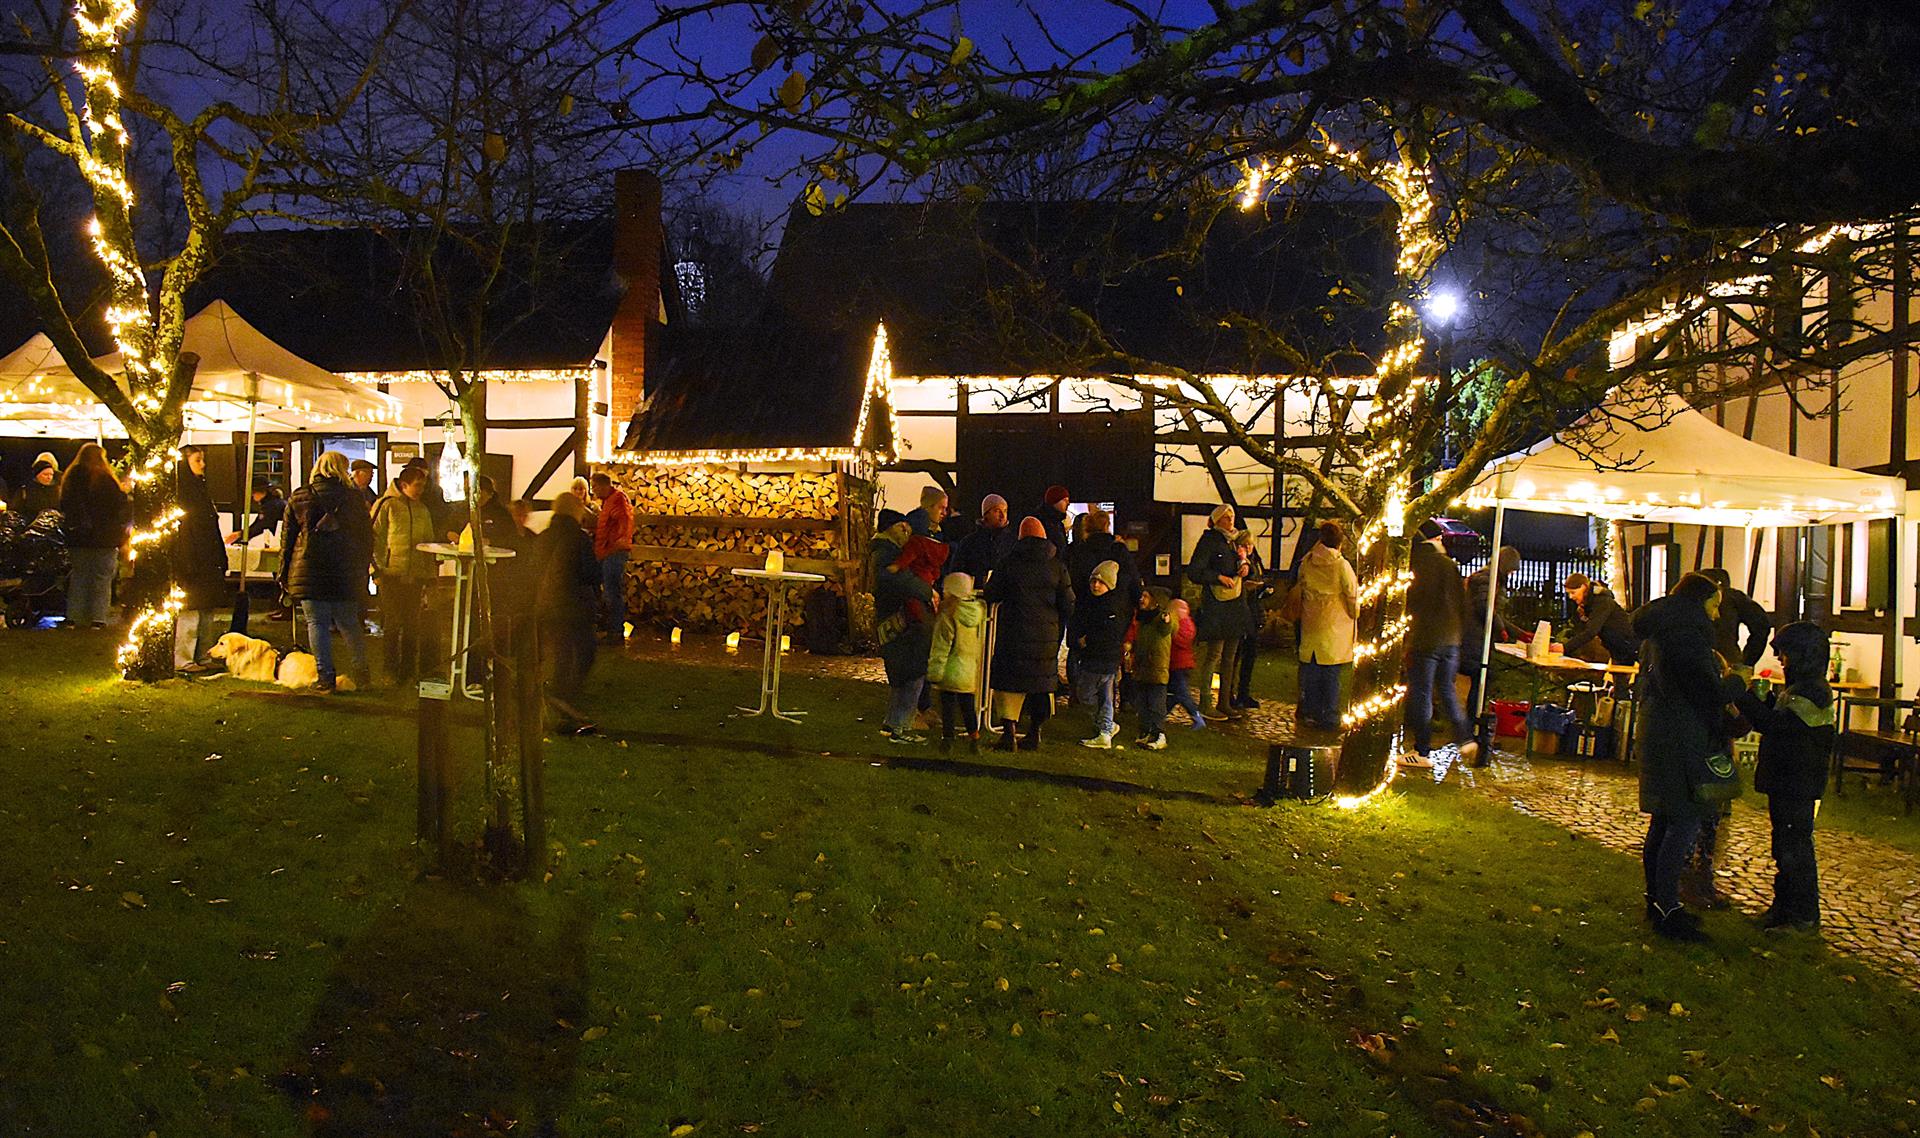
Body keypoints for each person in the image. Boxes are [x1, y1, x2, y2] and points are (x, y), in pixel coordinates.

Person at [1630, 571, 1746, 942]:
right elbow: (1706, 692)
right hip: (1681, 739)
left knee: (1664, 821)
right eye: (1714, 606)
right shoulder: (1687, 635)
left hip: (1660, 733)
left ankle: (1659, 902)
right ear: (1699, 602)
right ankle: (1667, 908)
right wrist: (1738, 682)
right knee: (1682, 821)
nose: (1716, 615)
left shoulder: (1661, 630)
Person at [1732, 620, 1835, 933]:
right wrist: (1763, 700)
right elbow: (1780, 721)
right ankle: (1784, 908)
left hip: (1797, 781)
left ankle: (1802, 914)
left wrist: (1743, 696)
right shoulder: (1802, 689)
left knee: (1795, 849)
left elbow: (1779, 727)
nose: (1781, 660)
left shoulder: (1813, 692)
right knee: (1784, 846)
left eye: (1786, 654)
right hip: (1789, 779)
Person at [280, 451, 375, 693]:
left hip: (309, 570)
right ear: (342, 469)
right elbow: (366, 537)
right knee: (349, 624)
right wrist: (362, 568)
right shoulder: (354, 499)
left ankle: (325, 678)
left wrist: (284, 574)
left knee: (317, 624)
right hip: (344, 571)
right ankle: (362, 674)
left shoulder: (300, 496)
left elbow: (288, 539)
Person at [982, 516, 1074, 750]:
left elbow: (992, 593)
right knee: (1041, 685)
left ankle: (1009, 733)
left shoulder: (1009, 562)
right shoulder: (1057, 566)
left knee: (1009, 684)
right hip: (1045, 637)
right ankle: (1034, 732)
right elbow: (1068, 603)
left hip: (1014, 633)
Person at [1402, 519, 1479, 767]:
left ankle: (1422, 750)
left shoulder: (1417, 565)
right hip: (1451, 639)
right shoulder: (1449, 565)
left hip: (1426, 638)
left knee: (1422, 692)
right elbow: (1462, 604)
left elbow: (1413, 602)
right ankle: (1465, 738)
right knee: (1447, 690)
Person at [535, 491, 601, 734]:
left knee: (562, 653)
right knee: (585, 652)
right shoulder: (579, 538)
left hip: (548, 604)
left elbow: (535, 570)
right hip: (574, 604)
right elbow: (590, 573)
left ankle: (560, 701)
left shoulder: (543, 537)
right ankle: (563, 698)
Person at [371, 465, 439, 682]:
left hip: (416, 575)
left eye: (423, 485)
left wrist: (429, 575)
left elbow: (428, 542)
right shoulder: (386, 506)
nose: (421, 490)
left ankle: (408, 670)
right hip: (391, 573)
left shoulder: (422, 510)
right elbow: (373, 539)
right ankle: (390, 670)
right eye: (417, 485)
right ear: (404, 485)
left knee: (412, 625)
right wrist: (376, 571)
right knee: (393, 623)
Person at [1186, 504, 1253, 722]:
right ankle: (1206, 701)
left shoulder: (1237, 541)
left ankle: (1225, 701)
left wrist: (1245, 568)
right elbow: (1195, 571)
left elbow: (1244, 564)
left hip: (1235, 604)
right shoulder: (1210, 541)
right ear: (1216, 521)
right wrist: (1217, 577)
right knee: (1214, 654)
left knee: (1230, 657)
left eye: (1232, 516)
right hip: (1217, 605)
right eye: (1225, 517)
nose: (1230, 520)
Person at [876, 534, 944, 743]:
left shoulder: (902, 556)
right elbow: (902, 579)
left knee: (903, 675)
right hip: (913, 624)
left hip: (908, 622)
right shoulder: (898, 557)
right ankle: (899, 727)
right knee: (913, 675)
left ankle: (892, 723)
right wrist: (928, 592)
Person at [58, 442, 131, 630]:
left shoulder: (72, 478)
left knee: (79, 576)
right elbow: (119, 506)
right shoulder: (106, 480)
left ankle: (74, 617)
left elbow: (65, 505)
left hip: (79, 537)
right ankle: (98, 618)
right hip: (104, 538)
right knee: (102, 578)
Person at [1295, 521, 1360, 730]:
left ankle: (1309, 709)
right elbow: (1352, 594)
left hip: (1312, 620)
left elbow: (1301, 582)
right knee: (1331, 673)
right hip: (1335, 624)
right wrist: (1355, 613)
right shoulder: (1341, 565)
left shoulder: (1307, 561)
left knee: (1312, 670)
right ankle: (1329, 715)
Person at [172, 446, 229, 671]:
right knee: (191, 612)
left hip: (207, 559)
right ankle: (183, 658)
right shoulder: (183, 496)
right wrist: (187, 562)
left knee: (206, 611)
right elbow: (185, 532)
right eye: (197, 460)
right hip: (193, 560)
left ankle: (203, 655)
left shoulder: (201, 491)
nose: (203, 465)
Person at [1462, 545, 1527, 715]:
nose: (1512, 574)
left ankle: (1474, 721)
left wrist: (1518, 633)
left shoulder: (1488, 578)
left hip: (1477, 637)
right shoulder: (1487, 579)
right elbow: (1486, 608)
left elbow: (1493, 612)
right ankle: (1473, 723)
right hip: (1474, 638)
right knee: (1482, 678)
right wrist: (1502, 629)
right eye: (1512, 570)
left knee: (1482, 679)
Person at [926, 571, 987, 753]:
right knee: (968, 705)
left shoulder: (948, 615)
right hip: (968, 668)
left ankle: (948, 739)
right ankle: (974, 738)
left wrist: (934, 671)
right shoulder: (976, 613)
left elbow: (941, 645)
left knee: (948, 705)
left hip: (950, 667)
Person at [1074, 560, 1130, 749]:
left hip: (1102, 658)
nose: (1096, 585)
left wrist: (1087, 640)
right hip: (1099, 657)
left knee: (1088, 694)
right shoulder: (1095, 603)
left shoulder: (1110, 607)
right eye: (1093, 581)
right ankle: (1106, 728)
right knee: (1103, 697)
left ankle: (1104, 727)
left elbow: (1108, 633)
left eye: (1100, 582)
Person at [1699, 566, 1771, 675]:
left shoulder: (1686, 600)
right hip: (1729, 661)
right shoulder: (1733, 597)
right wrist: (1747, 661)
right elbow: (1762, 625)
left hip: (1696, 663)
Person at [590, 471, 633, 645]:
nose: (593, 491)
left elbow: (621, 525)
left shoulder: (617, 501)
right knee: (606, 591)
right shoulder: (609, 501)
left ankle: (615, 630)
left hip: (613, 552)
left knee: (611, 592)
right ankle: (610, 627)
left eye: (594, 487)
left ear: (603, 485)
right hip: (608, 551)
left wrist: (611, 546)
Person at [1130, 586, 1174, 750]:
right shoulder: (1143, 619)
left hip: (1156, 668)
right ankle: (1145, 731)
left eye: (1146, 597)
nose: (1142, 599)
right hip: (1142, 667)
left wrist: (1166, 620)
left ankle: (1158, 733)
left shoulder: (1160, 618)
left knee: (1156, 704)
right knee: (1142, 703)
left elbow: (1167, 627)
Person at [1561, 572, 1639, 665]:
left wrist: (1564, 648)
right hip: (1618, 649)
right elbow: (1579, 630)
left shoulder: (1602, 602)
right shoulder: (1586, 605)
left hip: (1629, 646)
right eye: (1568, 593)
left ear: (1584, 587)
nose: (1571, 597)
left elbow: (1590, 632)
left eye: (1573, 592)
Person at [1229, 531, 1269, 710]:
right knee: (1234, 655)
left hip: (1253, 611)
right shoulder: (1237, 562)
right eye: (1245, 545)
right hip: (1240, 612)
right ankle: (1228, 693)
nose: (1248, 548)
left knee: (1250, 655)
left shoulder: (1255, 562)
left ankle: (1244, 692)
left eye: (1250, 545)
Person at [953, 493, 1015, 582]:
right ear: (986, 514)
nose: (1002, 515)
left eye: (1005, 510)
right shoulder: (969, 543)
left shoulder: (1013, 542)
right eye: (997, 511)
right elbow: (957, 574)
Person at [1167, 597, 1205, 729]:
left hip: (1180, 665)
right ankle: (1160, 715)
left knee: (1181, 692)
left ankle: (1196, 716)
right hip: (1175, 664)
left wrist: (1171, 634)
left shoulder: (1184, 625)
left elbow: (1183, 640)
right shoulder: (1182, 623)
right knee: (1173, 692)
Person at [18, 454, 59, 519]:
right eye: (45, 474)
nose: (49, 477)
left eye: (51, 474)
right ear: (37, 475)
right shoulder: (26, 490)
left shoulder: (57, 490)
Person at [1036, 485, 1072, 554]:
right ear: (1054, 501)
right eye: (1065, 500)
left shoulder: (1058, 523)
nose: (1068, 503)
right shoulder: (1041, 522)